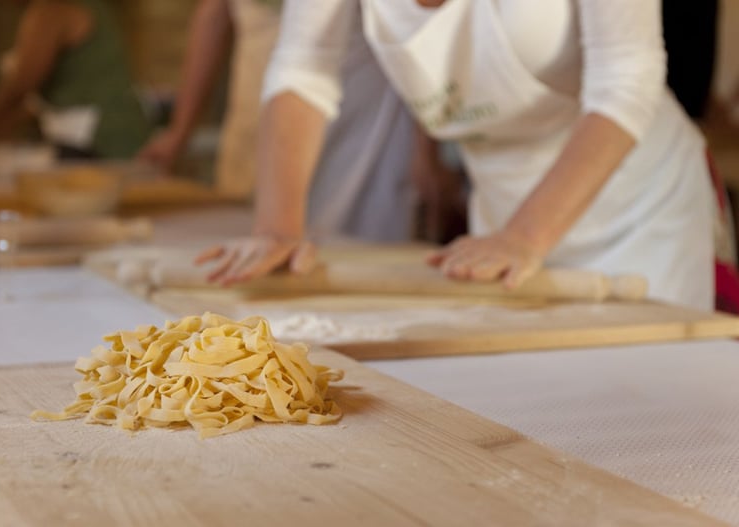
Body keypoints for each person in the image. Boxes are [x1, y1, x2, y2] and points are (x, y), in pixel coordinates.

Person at [197, 0, 717, 311]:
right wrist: (277, 228)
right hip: (500, 216)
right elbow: (303, 70)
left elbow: (627, 82)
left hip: (639, 212)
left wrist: (525, 236)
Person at [138, 0, 418, 242]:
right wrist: (277, 231)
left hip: (356, 108)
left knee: (357, 241)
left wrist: (425, 150)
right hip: (267, 97)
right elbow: (300, 67)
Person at [0, 0, 152, 159]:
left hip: (102, 142)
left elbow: (17, 92)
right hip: (101, 138)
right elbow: (30, 101)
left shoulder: (54, 9)